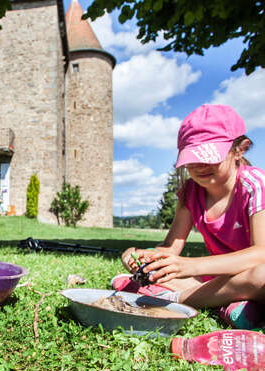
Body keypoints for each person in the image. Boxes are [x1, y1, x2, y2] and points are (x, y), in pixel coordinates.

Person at [112, 104, 265, 329]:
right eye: (192, 158)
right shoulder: (190, 192)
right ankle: (226, 304)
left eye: (209, 156)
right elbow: (170, 248)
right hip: (216, 279)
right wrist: (144, 257)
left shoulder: (254, 185)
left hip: (250, 274)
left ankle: (175, 299)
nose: (199, 166)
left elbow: (261, 253)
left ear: (239, 150)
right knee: (160, 273)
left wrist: (190, 266)